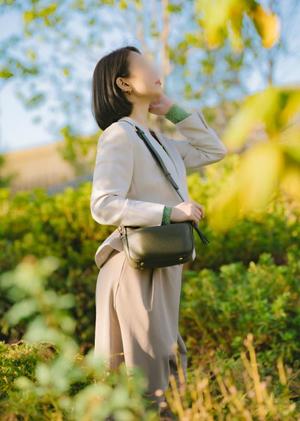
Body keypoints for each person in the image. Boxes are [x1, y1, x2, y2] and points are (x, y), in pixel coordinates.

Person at [90, 45, 227, 418]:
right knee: (149, 385)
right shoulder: (119, 135)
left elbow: (214, 150)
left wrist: (174, 111)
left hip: (163, 266)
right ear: (124, 84)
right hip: (135, 268)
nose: (156, 68)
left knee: (166, 372)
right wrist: (170, 212)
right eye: (144, 65)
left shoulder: (160, 140)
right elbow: (103, 204)